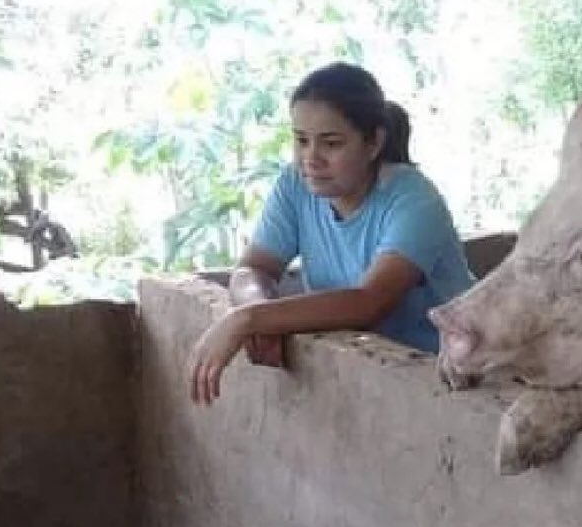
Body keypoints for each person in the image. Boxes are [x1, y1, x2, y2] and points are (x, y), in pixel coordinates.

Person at [189, 62, 474, 405]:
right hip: (366, 377)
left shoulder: (412, 199)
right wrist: (259, 310)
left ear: (373, 143)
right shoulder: (294, 185)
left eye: (331, 143)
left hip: (450, 377)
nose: (311, 158)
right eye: (301, 140)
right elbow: (254, 268)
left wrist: (247, 318)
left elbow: (369, 301)